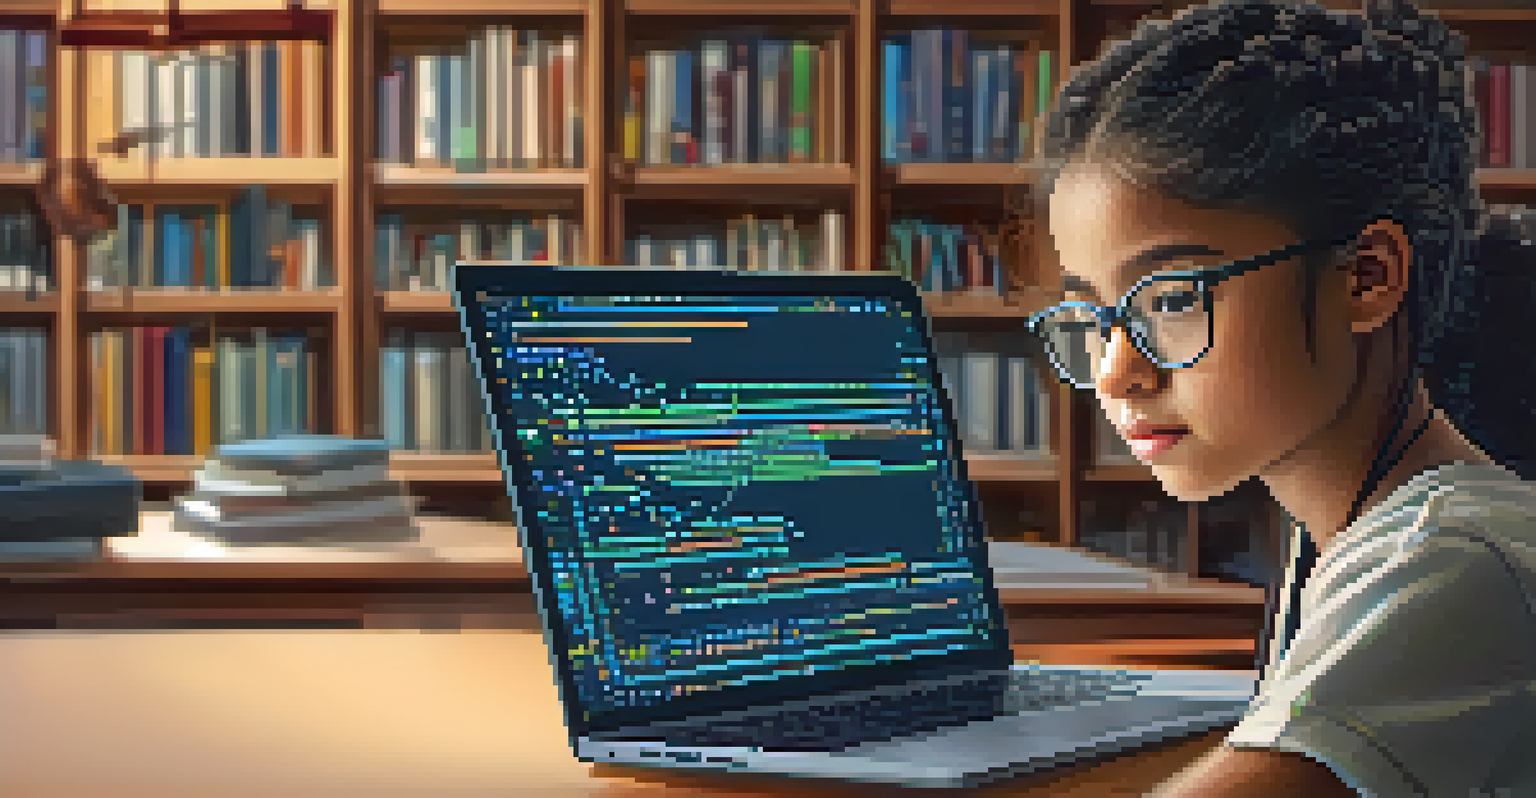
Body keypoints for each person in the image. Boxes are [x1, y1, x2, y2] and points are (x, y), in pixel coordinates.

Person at [1026, 0, 1536, 794]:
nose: (1116, 372)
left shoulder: (1447, 565)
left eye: (1170, 299)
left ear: (1366, 278)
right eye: (1095, 316)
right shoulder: (1353, 531)